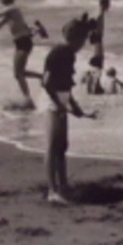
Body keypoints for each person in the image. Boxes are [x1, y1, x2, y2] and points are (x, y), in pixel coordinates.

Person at [41, 19, 95, 204]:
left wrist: (74, 105)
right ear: (75, 37)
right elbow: (46, 83)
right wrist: (59, 104)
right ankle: (52, 190)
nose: (84, 43)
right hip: (51, 101)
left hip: (61, 99)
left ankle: (63, 185)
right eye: (83, 39)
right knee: (52, 145)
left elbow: (67, 84)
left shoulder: (70, 54)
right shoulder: (58, 53)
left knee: (62, 146)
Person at [0, 0, 37, 107]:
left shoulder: (12, 8)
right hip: (21, 42)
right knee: (18, 73)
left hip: (24, 42)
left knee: (19, 73)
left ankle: (28, 99)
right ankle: (28, 98)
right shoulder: (9, 11)